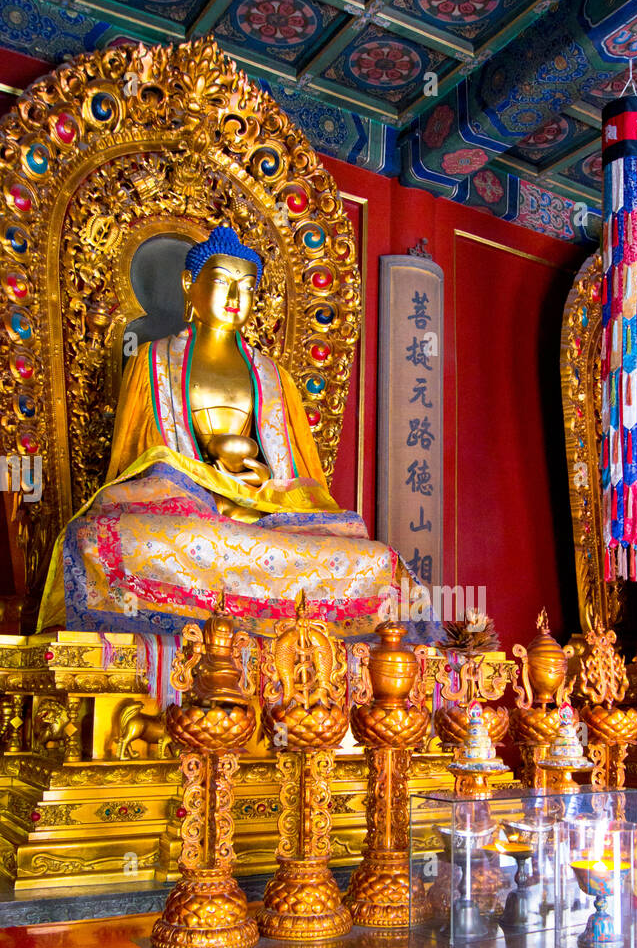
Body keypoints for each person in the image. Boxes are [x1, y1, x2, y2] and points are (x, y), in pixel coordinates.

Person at [39, 226, 427, 639]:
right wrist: (203, 485)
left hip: (259, 515)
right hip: (188, 514)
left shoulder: (272, 375)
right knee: (116, 540)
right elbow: (136, 462)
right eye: (222, 282)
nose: (234, 298)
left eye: (246, 286)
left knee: (372, 559)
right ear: (190, 284)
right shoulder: (152, 361)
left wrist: (262, 482)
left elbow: (298, 478)